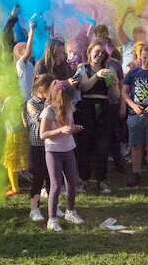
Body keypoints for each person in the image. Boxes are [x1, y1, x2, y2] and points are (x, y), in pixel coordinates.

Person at [39, 80, 85, 231]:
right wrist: (61, 130)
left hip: (68, 149)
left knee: (72, 182)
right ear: (60, 97)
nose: (71, 101)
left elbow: (68, 126)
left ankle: (70, 211)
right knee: (56, 185)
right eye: (68, 98)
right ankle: (52, 219)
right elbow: (43, 134)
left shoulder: (70, 108)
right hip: (53, 151)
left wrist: (74, 128)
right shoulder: (49, 111)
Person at [75, 39, 119, 194]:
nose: (99, 55)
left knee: (103, 146)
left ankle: (101, 180)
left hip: (104, 108)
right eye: (96, 51)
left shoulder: (109, 69)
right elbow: (84, 86)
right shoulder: (83, 68)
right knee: (85, 145)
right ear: (90, 51)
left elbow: (116, 94)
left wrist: (114, 84)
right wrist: (97, 75)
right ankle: (84, 180)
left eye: (102, 53)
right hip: (87, 108)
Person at [122, 44, 148, 186]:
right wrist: (133, 105)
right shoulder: (133, 73)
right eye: (144, 57)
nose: (147, 60)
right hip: (134, 114)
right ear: (140, 56)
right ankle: (136, 173)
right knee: (136, 146)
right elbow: (124, 92)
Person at [26, 74, 56, 222]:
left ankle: (53, 206)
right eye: (51, 88)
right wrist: (50, 107)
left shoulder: (51, 103)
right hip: (37, 146)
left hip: (50, 146)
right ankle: (34, 208)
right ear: (42, 88)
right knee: (38, 178)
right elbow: (40, 120)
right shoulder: (31, 103)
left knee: (52, 178)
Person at [116, 6, 148, 72]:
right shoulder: (127, 43)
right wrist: (126, 12)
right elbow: (119, 28)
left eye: (142, 33)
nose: (140, 35)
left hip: (141, 76)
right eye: (138, 33)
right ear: (133, 35)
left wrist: (147, 18)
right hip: (126, 75)